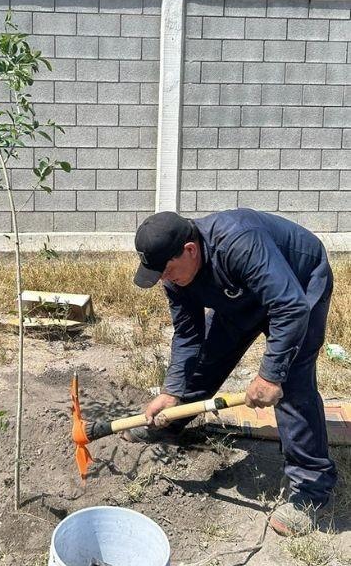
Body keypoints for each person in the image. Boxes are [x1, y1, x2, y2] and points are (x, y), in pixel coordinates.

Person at [131, 209, 335, 537]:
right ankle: (173, 422)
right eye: (159, 274)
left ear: (190, 250)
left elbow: (290, 306)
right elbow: (188, 335)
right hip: (245, 295)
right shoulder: (174, 277)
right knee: (204, 361)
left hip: (299, 284)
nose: (165, 279)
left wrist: (270, 375)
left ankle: (311, 490)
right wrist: (171, 392)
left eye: (168, 270)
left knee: (291, 382)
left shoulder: (238, 242)